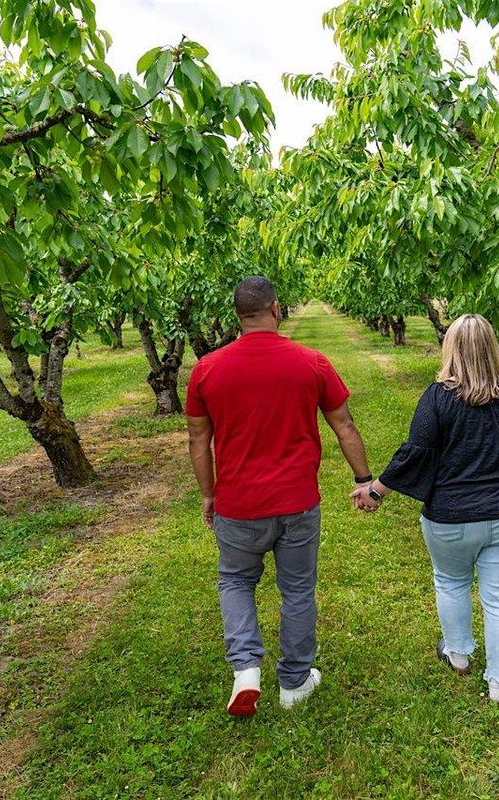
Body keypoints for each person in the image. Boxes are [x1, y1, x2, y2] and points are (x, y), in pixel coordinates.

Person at [186, 277, 378, 717]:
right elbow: (344, 424)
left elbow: (198, 441)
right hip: (297, 502)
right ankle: (293, 682)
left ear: (237, 314)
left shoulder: (207, 370)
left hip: (237, 503)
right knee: (296, 590)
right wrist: (364, 478)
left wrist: (208, 494)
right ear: (276, 308)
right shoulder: (311, 362)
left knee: (236, 580)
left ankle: (246, 671)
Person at [354, 313, 499, 702]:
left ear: (450, 349)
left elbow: (417, 453)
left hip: (452, 517)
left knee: (451, 582)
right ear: (493, 348)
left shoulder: (437, 398)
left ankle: (459, 656)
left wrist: (376, 490)